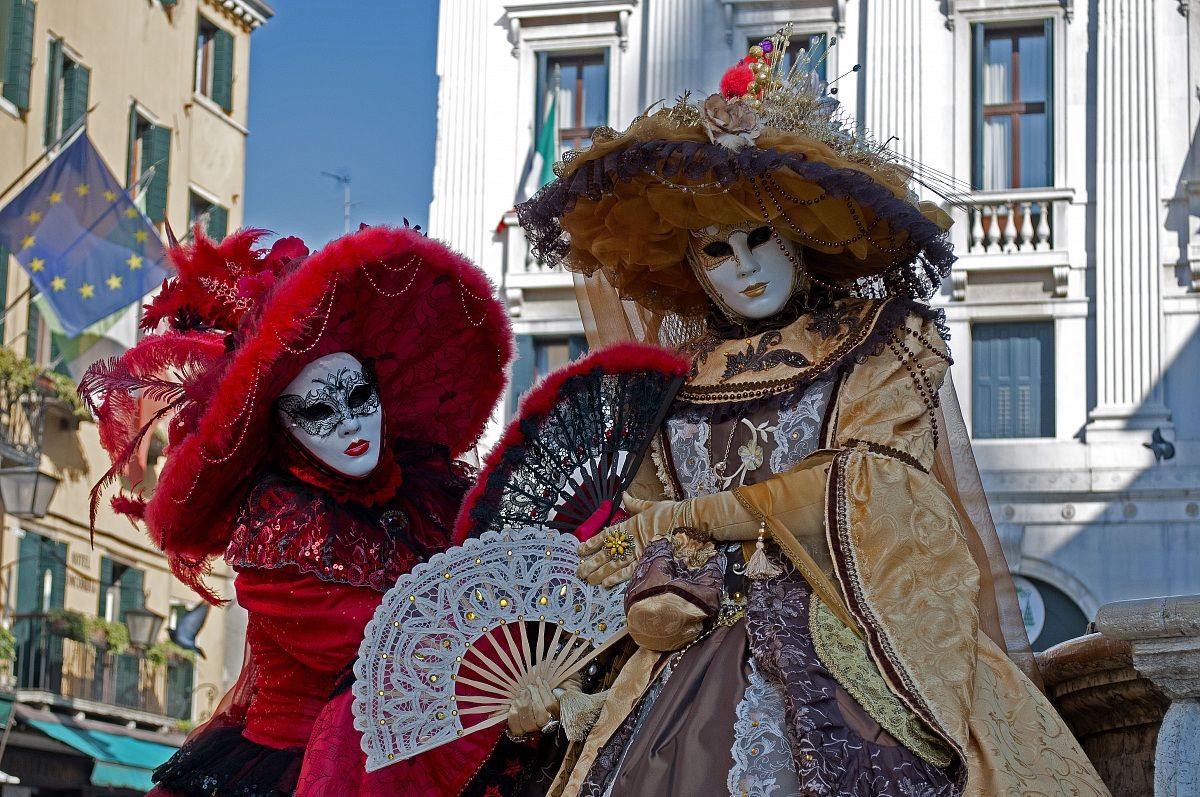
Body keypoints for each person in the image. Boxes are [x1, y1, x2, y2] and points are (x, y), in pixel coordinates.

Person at [513, 29, 1111, 797]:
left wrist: (698, 517)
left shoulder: (874, 347)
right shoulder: (674, 382)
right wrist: (654, 573)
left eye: (758, 238)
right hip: (687, 653)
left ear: (797, 238)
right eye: (717, 252)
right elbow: (643, 516)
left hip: (849, 622)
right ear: (693, 267)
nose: (745, 267)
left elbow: (882, 494)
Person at [82, 225, 544, 795]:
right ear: (282, 429)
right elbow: (377, 647)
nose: (350, 422)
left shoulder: (433, 497)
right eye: (319, 411)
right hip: (302, 769)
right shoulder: (277, 527)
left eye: (358, 397)